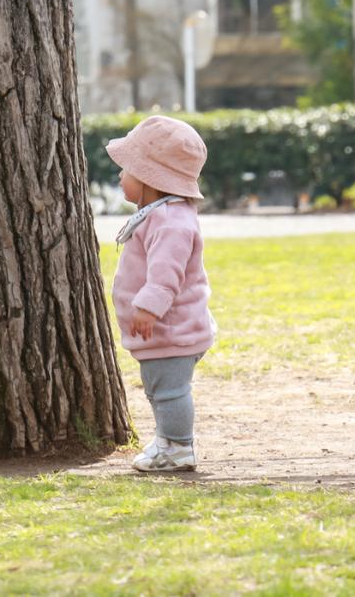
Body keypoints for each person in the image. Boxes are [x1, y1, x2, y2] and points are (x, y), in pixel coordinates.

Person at [106, 116, 213, 473]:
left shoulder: (171, 221)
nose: (120, 176)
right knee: (159, 389)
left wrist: (149, 308)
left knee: (170, 392)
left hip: (170, 329)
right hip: (163, 332)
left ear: (151, 177)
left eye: (127, 170)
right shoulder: (157, 214)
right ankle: (167, 438)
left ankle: (179, 447)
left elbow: (167, 273)